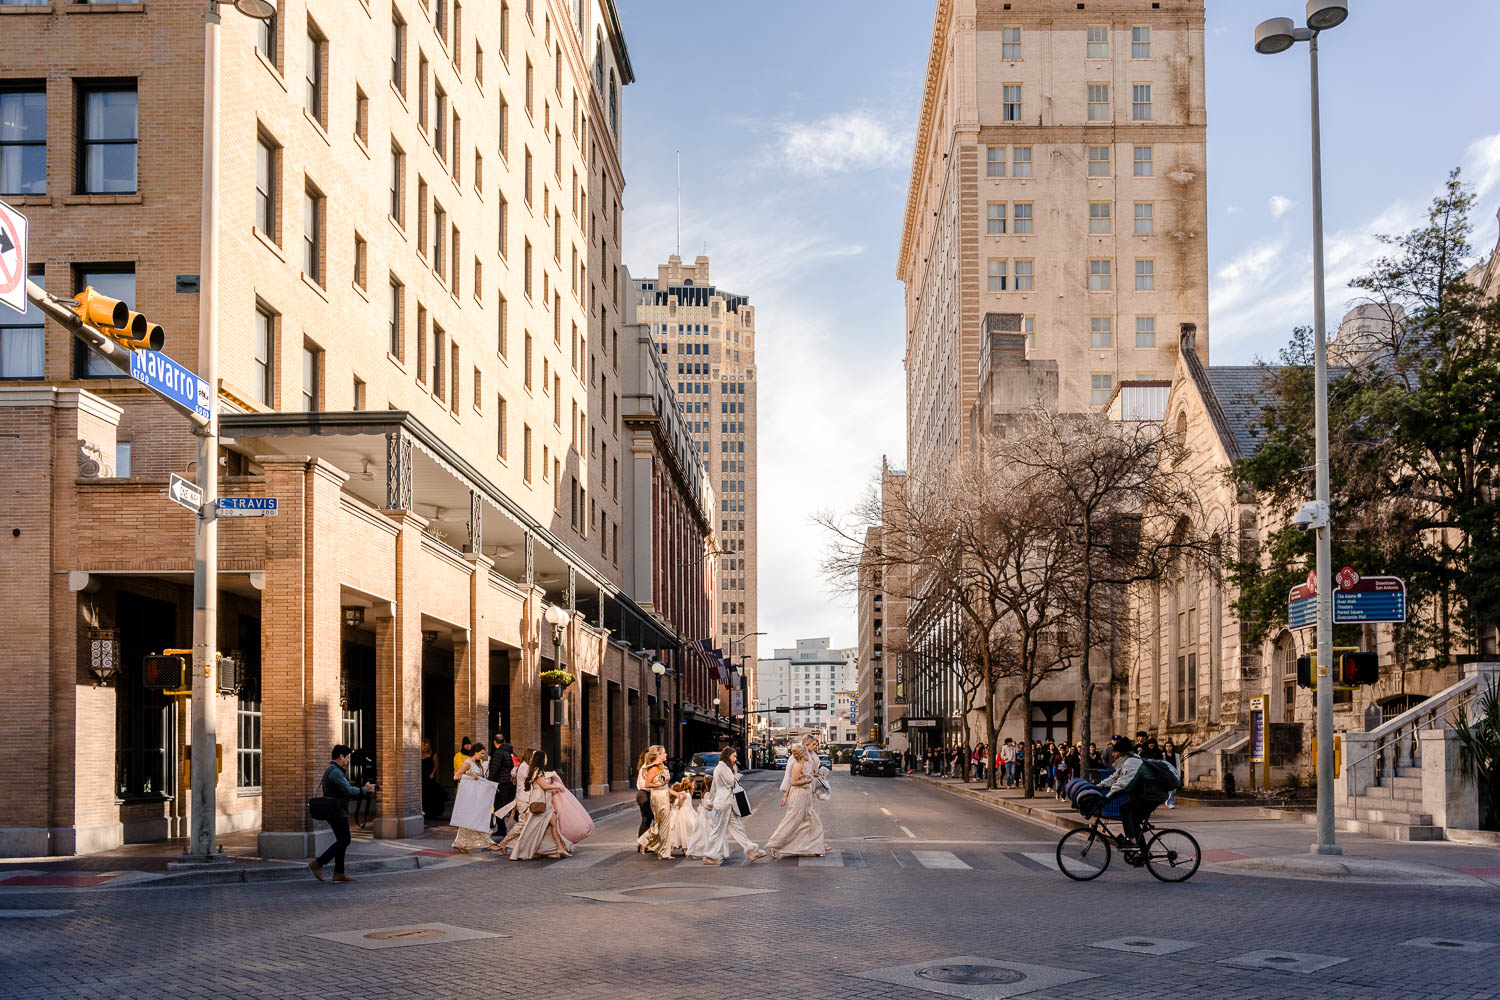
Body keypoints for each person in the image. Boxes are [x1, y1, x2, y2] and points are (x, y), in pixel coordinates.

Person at [1097, 736, 1170, 865]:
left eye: (1115, 751)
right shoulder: (1127, 761)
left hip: (1152, 795)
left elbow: (1123, 784)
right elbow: (1115, 777)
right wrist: (1098, 786)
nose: (1113, 754)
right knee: (1134, 820)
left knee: (1125, 809)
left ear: (1122, 752)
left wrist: (1106, 798)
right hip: (1146, 794)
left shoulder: (1132, 763)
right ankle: (1143, 852)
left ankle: (1132, 842)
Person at [308, 744, 375, 883]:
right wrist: (365, 790)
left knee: (342, 841)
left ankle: (339, 873)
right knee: (345, 840)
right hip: (336, 811)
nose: (348, 760)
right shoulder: (335, 772)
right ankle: (318, 863)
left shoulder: (333, 770)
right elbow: (349, 790)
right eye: (348, 757)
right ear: (341, 756)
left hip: (337, 810)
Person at [701, 746, 765, 865]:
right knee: (718, 830)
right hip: (724, 803)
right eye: (734, 756)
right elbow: (732, 782)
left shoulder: (719, 768)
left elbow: (714, 787)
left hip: (725, 803)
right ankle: (708, 855)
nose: (735, 758)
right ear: (727, 755)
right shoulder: (723, 768)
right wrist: (736, 773)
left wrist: (710, 802)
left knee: (738, 828)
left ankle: (751, 852)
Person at [763, 744, 825, 858]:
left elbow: (801, 778)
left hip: (805, 799)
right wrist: (806, 781)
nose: (808, 756)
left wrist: (813, 776)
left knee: (810, 823)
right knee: (791, 823)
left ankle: (813, 847)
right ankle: (774, 845)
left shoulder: (803, 766)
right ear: (802, 755)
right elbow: (793, 782)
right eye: (806, 753)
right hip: (799, 798)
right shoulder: (798, 766)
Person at [509, 750, 573, 860]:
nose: (547, 760)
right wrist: (558, 787)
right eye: (546, 758)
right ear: (541, 760)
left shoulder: (540, 771)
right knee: (531, 828)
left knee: (554, 824)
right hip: (540, 802)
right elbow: (544, 786)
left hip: (546, 803)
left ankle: (559, 848)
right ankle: (521, 851)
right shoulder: (537, 771)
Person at [452, 743, 500, 853]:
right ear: (475, 752)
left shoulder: (479, 764)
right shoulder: (467, 763)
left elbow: (481, 779)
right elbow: (456, 776)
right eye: (481, 753)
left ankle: (459, 843)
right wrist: (469, 776)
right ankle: (488, 843)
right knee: (473, 819)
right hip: (469, 796)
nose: (482, 756)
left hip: (477, 795)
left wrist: (491, 787)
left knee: (470, 819)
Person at [636, 746, 672, 859]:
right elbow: (647, 784)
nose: (666, 755)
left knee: (663, 824)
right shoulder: (654, 768)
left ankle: (661, 850)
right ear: (658, 755)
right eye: (664, 753)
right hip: (658, 796)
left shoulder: (661, 767)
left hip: (663, 795)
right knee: (662, 823)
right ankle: (646, 842)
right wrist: (659, 785)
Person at [497, 749, 534, 855]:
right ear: (529, 756)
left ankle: (516, 846)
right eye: (533, 756)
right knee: (522, 823)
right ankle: (504, 843)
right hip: (524, 799)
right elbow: (530, 780)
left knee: (524, 824)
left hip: (522, 798)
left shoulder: (520, 766)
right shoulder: (525, 767)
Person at [487, 733, 517, 836]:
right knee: (509, 805)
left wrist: (490, 782)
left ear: (494, 742)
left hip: (502, 784)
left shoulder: (498, 753)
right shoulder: (512, 753)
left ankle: (501, 829)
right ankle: (524, 824)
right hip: (511, 783)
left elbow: (494, 769)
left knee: (499, 806)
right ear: (504, 741)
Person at [420, 739, 445, 820]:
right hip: (421, 775)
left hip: (429, 775)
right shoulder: (419, 754)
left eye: (427, 745)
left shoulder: (433, 754)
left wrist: (432, 773)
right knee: (422, 794)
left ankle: (431, 813)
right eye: (424, 745)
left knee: (430, 794)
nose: (425, 746)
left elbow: (436, 765)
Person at [1161, 739, 1181, 809]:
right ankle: (1170, 803)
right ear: (1165, 747)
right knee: (1170, 789)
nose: (1168, 748)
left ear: (1172, 747)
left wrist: (1179, 775)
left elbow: (1178, 765)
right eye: (1167, 746)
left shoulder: (1177, 755)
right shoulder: (1163, 755)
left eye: (1170, 746)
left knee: (1173, 790)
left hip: (1174, 773)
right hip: (1166, 773)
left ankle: (1168, 801)